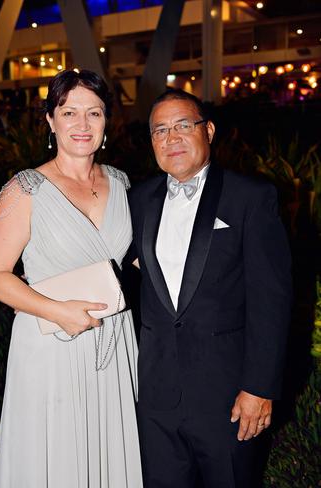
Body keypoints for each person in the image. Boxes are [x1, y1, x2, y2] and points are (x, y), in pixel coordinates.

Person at [0, 69, 143, 488]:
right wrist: (59, 312)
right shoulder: (26, 188)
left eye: (94, 112)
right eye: (69, 112)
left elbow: (129, 262)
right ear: (51, 120)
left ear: (108, 121)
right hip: (51, 343)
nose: (82, 124)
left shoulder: (123, 184)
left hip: (114, 340)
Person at [128, 88, 292, 488]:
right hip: (155, 399)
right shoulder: (137, 200)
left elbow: (272, 300)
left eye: (184, 125)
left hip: (228, 398)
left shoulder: (251, 197)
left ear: (210, 130)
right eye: (160, 130)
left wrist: (258, 387)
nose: (172, 138)